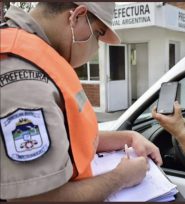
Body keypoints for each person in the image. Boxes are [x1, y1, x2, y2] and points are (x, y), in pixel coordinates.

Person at [0, 2, 162, 201]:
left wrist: (128, 137)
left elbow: (68, 137)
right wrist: (121, 177)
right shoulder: (24, 77)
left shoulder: (38, 56)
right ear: (77, 16)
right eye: (99, 34)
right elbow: (36, 199)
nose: (97, 46)